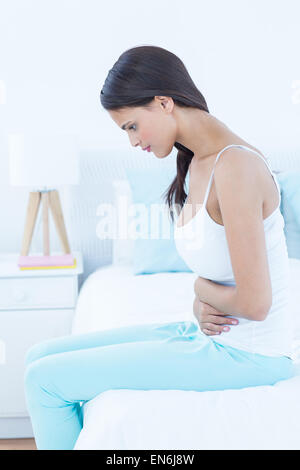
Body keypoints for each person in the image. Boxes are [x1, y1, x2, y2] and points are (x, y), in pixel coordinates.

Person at [24, 45, 294, 450]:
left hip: (249, 356)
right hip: (216, 340)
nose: (132, 142)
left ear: (164, 102)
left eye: (132, 126)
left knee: (43, 381)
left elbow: (256, 303)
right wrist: (202, 299)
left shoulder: (236, 166)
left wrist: (200, 290)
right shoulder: (196, 161)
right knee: (39, 357)